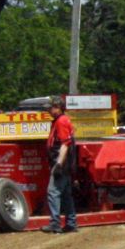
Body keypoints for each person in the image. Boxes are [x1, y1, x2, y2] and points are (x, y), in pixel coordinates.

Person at [44, 97, 78, 233]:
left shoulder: (61, 121)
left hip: (61, 163)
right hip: (66, 163)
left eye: (51, 108)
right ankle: (71, 223)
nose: (49, 110)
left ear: (58, 107)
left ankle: (55, 224)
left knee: (53, 192)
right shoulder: (62, 120)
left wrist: (58, 164)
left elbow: (65, 144)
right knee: (65, 194)